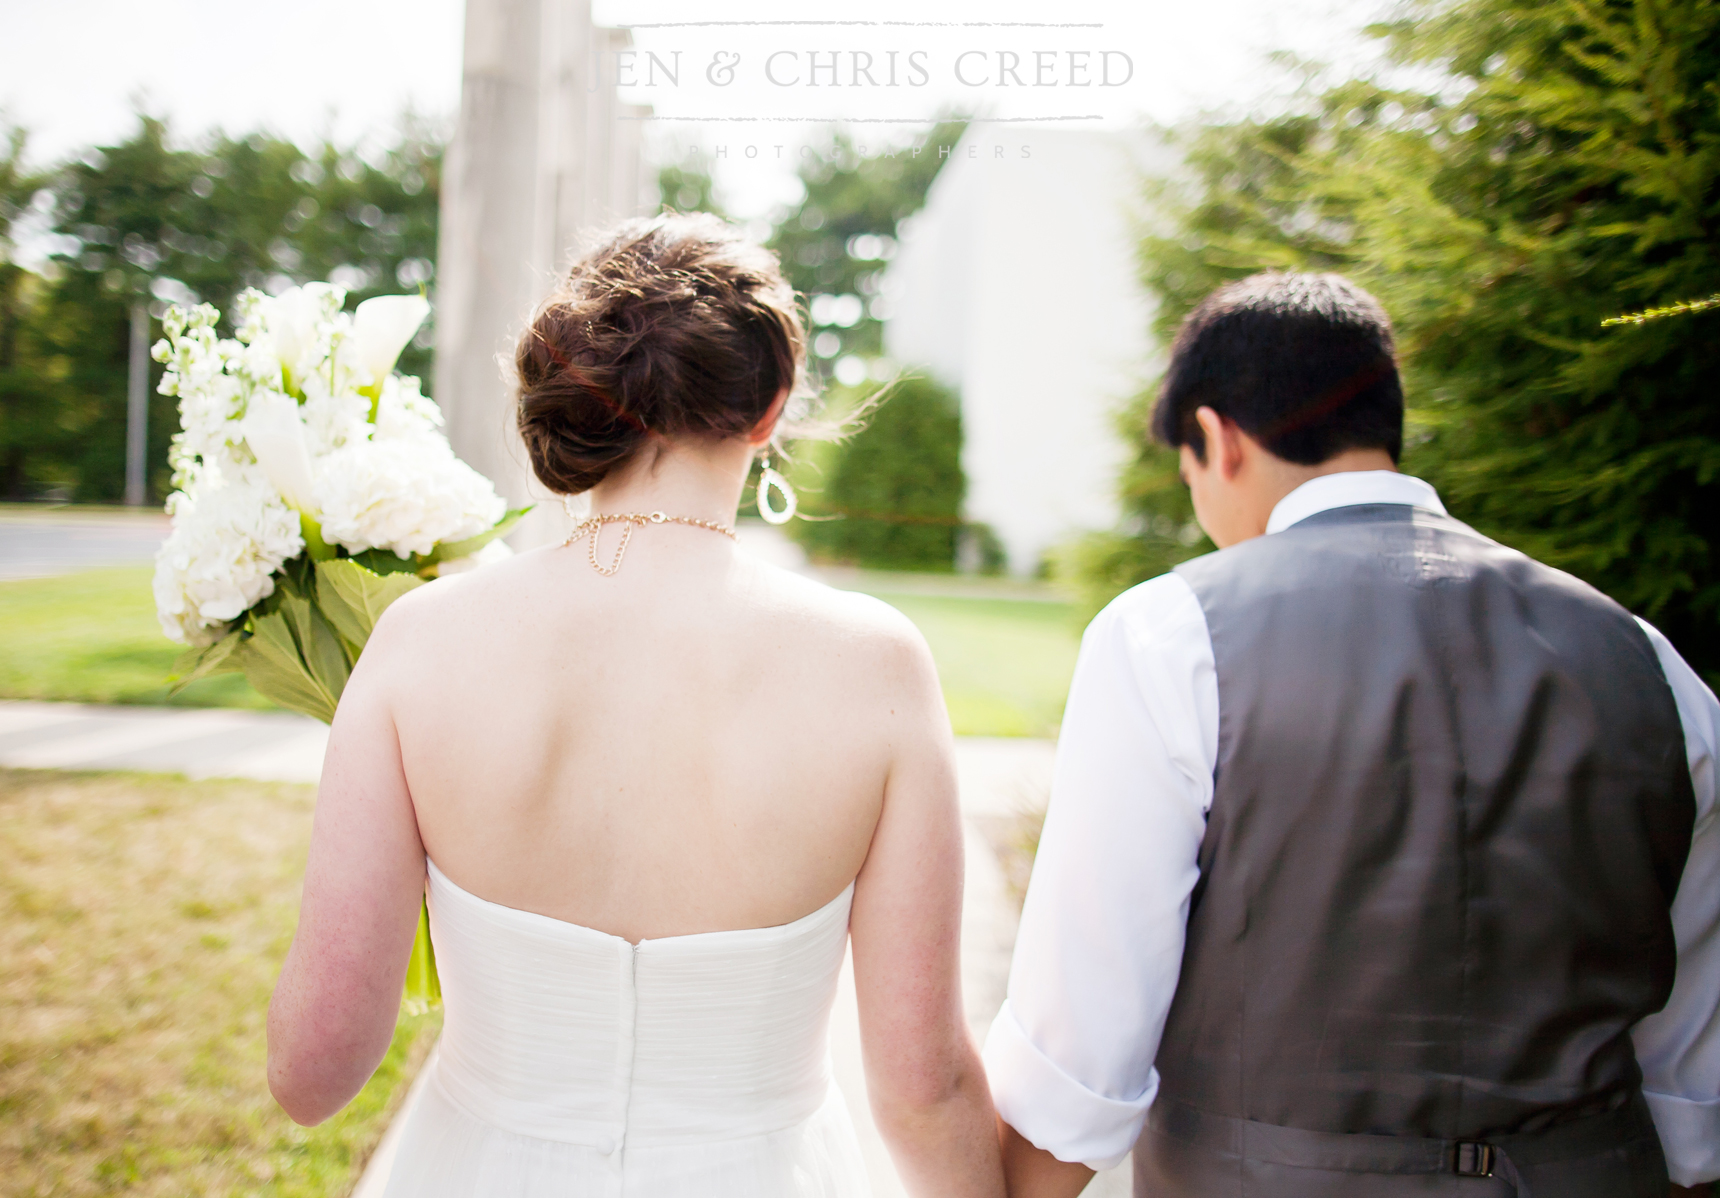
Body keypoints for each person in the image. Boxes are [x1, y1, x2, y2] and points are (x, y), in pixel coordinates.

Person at [266, 212, 1006, 1197]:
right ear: (770, 406)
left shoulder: (421, 640)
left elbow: (312, 1073)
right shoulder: (874, 666)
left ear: (586, 398)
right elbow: (923, 1089)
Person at [986, 272, 1720, 1197]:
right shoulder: (1646, 659)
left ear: (1216, 438)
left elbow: (1082, 1060)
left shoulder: (1167, 637)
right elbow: (1694, 1092)